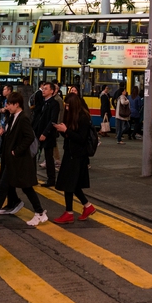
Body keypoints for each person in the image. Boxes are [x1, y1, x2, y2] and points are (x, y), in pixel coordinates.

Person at [0, 92, 48, 226]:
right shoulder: (13, 117)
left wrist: (17, 151)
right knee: (4, 188)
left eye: (9, 104)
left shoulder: (23, 118)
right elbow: (13, 135)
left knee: (27, 187)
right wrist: (2, 133)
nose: (7, 107)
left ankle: (39, 213)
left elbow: (29, 137)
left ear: (16, 104)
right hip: (11, 161)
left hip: (19, 161)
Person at [51, 93, 96, 223]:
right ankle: (87, 206)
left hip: (77, 156)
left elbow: (81, 139)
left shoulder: (83, 117)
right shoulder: (73, 115)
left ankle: (69, 213)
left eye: (68, 105)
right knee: (71, 184)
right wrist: (63, 130)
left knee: (69, 184)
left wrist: (66, 131)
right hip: (70, 154)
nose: (66, 108)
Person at [36, 82, 61, 187]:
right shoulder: (44, 102)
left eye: (46, 89)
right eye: (43, 88)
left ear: (52, 91)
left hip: (48, 135)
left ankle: (51, 179)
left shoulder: (54, 103)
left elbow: (52, 120)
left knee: (49, 157)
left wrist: (45, 133)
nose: (43, 90)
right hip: (40, 132)